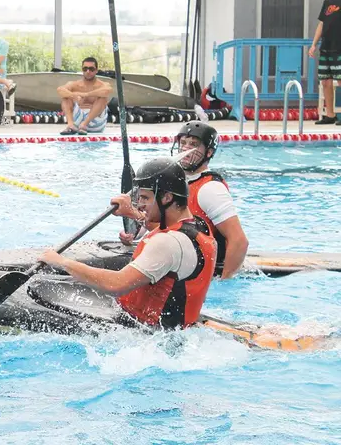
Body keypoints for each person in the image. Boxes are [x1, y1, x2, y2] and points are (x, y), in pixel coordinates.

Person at [39, 157, 217, 329]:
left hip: (144, 334)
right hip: (174, 329)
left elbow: (116, 284)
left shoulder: (167, 243)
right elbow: (159, 226)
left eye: (145, 198)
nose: (139, 204)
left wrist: (62, 262)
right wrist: (131, 212)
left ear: (167, 198)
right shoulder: (199, 226)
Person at [120, 122, 248, 279]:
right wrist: (135, 235)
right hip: (180, 258)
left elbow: (239, 241)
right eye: (183, 143)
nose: (186, 149)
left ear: (208, 152)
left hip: (203, 271)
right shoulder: (176, 180)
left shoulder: (210, 189)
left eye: (194, 144)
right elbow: (164, 223)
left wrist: (225, 281)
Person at [309, 0, 341, 125]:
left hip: (339, 47)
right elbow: (321, 24)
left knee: (340, 81)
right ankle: (330, 115)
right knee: (326, 81)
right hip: (326, 47)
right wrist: (314, 44)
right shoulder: (327, 2)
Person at [55, 57, 112, 135]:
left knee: (103, 98)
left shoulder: (102, 85)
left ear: (96, 70)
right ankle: (70, 125)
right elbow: (60, 90)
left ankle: (84, 124)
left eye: (91, 69)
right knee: (66, 97)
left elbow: (107, 90)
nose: (88, 71)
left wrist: (86, 94)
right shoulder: (75, 84)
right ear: (82, 70)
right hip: (77, 121)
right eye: (85, 69)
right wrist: (73, 95)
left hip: (96, 122)